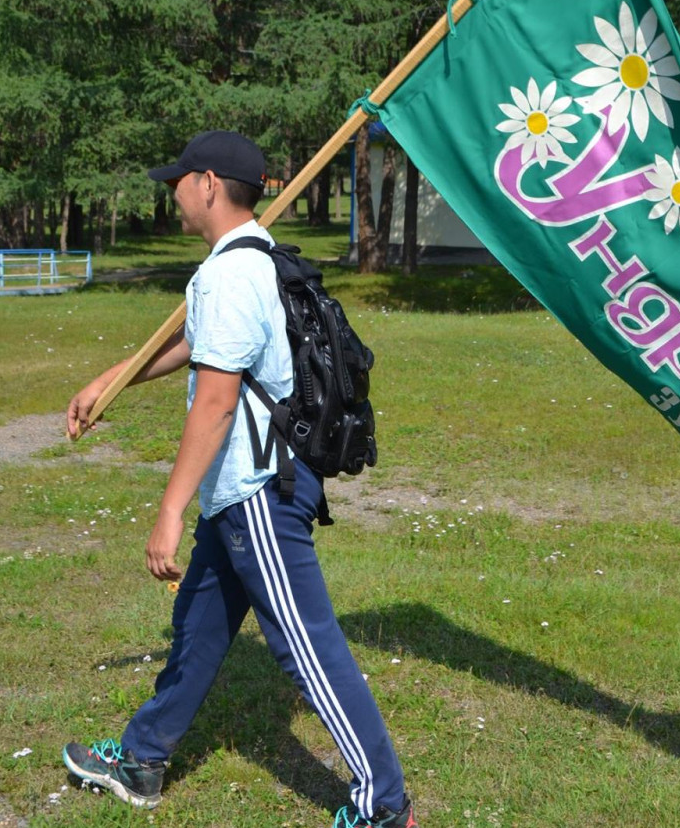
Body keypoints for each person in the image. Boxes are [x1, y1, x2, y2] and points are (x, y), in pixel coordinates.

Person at [61, 131, 415, 828]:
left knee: (308, 646)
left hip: (260, 490)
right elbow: (202, 340)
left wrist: (169, 509)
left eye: (180, 179)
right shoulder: (252, 258)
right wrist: (115, 379)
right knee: (197, 626)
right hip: (242, 492)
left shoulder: (231, 272)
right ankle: (142, 759)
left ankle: (383, 804)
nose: (173, 191)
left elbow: (219, 399)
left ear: (210, 183)